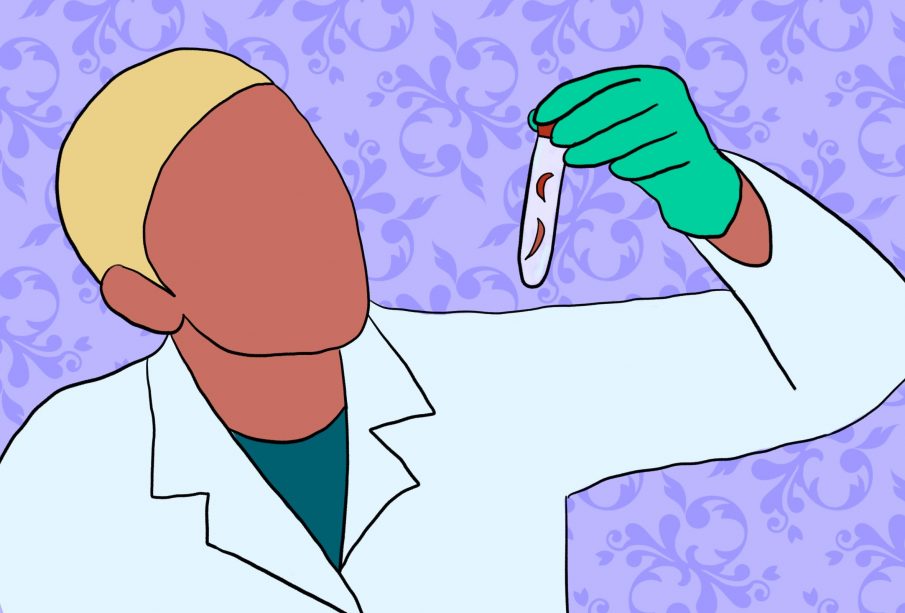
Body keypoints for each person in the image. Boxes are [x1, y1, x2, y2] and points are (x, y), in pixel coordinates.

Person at [0, 48, 902, 613]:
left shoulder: (496, 389)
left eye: (306, 178)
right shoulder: (69, 472)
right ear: (143, 297)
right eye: (238, 214)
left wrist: (719, 205)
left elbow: (852, 357)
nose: (309, 225)